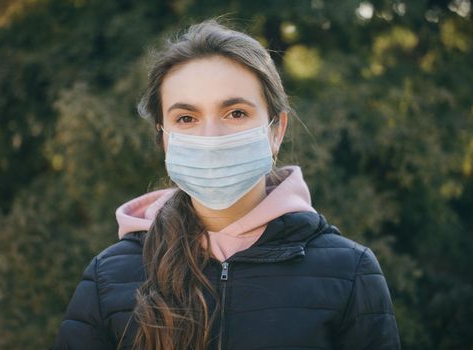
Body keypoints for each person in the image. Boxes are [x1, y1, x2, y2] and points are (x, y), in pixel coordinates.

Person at [54, 20, 401, 350]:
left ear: (275, 130)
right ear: (163, 138)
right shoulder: (107, 278)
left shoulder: (349, 273)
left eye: (235, 113)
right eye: (186, 118)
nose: (212, 138)